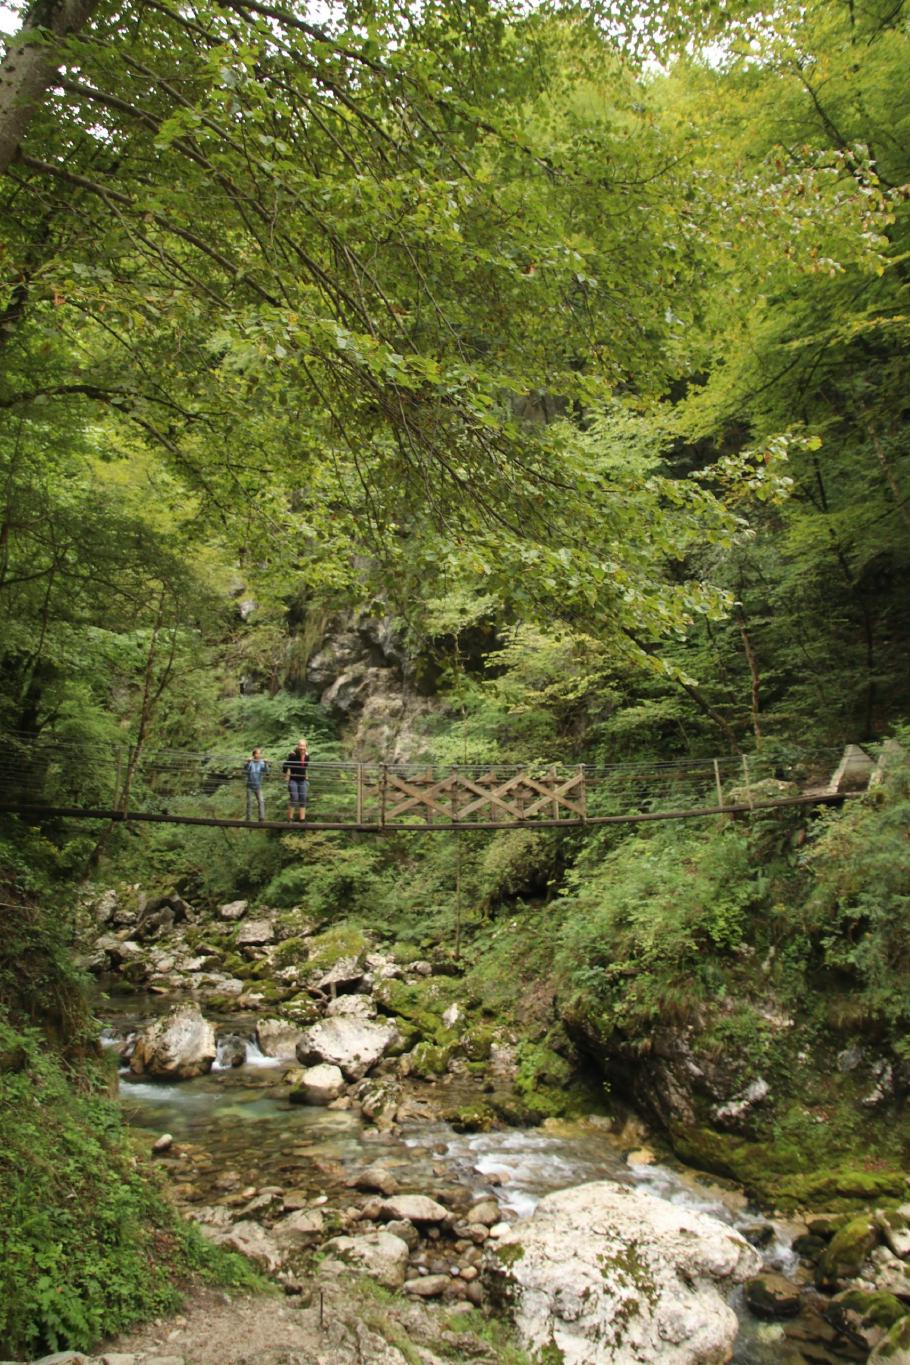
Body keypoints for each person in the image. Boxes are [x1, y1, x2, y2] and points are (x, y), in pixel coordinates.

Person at [282, 737, 309, 821]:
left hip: (302, 780)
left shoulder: (307, 756)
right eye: (300, 746)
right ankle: (290, 818)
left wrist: (306, 776)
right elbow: (285, 765)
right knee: (294, 797)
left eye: (303, 746)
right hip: (293, 779)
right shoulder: (293, 755)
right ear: (298, 746)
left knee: (303, 798)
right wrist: (285, 774)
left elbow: (304, 767)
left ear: (306, 747)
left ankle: (302, 819)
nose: (302, 748)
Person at [244, 747, 270, 821]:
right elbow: (246, 769)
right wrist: (248, 762)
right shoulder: (250, 762)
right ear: (254, 754)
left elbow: (266, 771)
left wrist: (266, 763)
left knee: (261, 801)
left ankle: (261, 818)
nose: (259, 755)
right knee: (249, 802)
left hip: (258, 786)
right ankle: (248, 818)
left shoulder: (262, 763)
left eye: (260, 753)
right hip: (249, 786)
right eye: (257, 753)